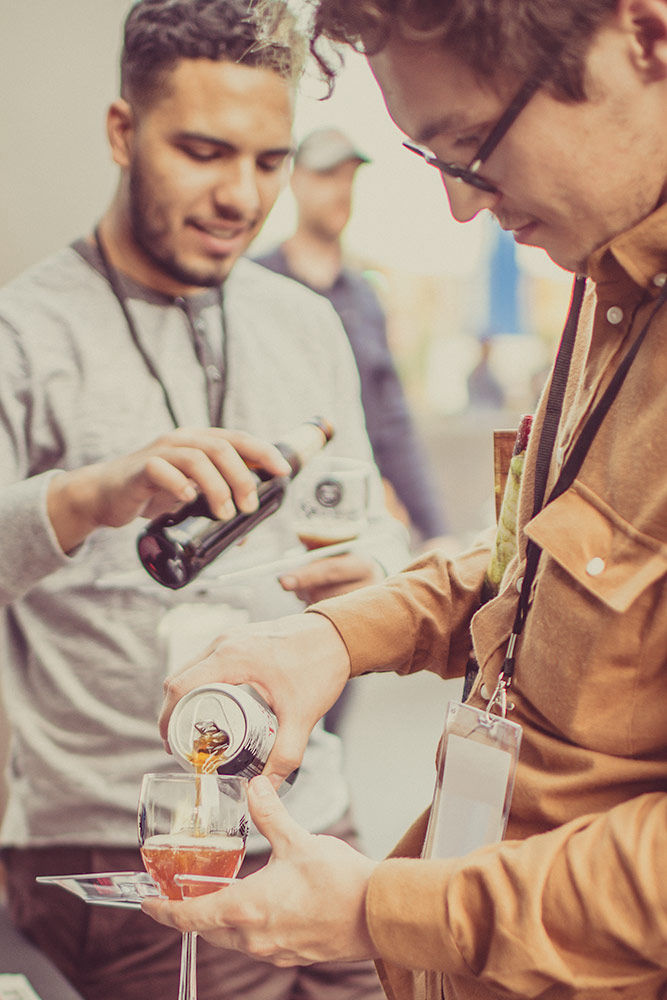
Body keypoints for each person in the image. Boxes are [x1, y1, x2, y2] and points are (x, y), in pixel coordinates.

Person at [142, 1, 667, 999]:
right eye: (432, 158)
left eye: (471, 146)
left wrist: (377, 911)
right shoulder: (608, 278)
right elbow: (540, 571)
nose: (464, 209)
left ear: (643, 38)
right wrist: (335, 638)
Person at [0, 2, 411, 1000]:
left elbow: (369, 525)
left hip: (312, 814)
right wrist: (85, 495)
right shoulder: (24, 335)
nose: (241, 195)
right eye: (203, 151)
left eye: (268, 162)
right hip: (125, 843)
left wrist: (376, 575)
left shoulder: (308, 326)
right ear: (121, 132)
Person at [255, 127, 448, 545]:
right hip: (265, 519)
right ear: (295, 179)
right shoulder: (253, 284)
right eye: (327, 175)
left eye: (349, 177)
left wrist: (435, 531)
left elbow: (391, 420)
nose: (341, 190)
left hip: (347, 520)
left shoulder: (364, 297)